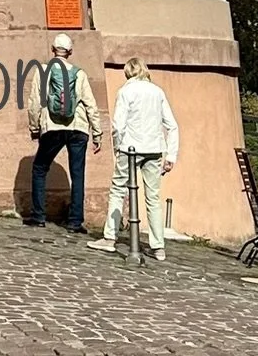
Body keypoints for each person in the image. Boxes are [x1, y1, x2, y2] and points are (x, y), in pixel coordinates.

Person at [89, 58, 178, 259]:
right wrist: (171, 154)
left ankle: (110, 237)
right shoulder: (157, 92)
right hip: (154, 149)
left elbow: (118, 126)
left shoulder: (125, 92)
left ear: (128, 72)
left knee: (118, 190)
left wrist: (117, 148)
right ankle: (158, 246)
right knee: (153, 197)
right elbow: (172, 125)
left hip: (130, 148)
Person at [23, 30, 103, 234]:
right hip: (78, 128)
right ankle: (75, 222)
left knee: (40, 168)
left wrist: (34, 127)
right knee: (78, 174)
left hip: (53, 126)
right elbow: (91, 104)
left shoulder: (43, 71)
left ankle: (39, 216)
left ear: (53, 50)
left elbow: (34, 102)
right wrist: (97, 133)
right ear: (70, 52)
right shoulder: (80, 74)